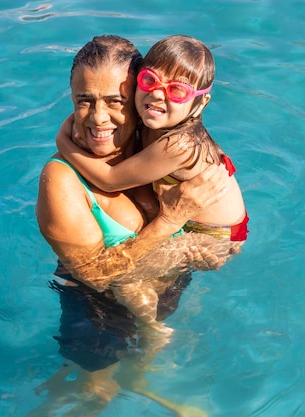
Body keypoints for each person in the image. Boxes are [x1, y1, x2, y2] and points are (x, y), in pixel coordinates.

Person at [34, 35, 229, 417]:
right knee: (93, 394)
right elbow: (95, 275)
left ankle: (136, 382)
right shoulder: (62, 180)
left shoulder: (157, 147)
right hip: (98, 312)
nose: (98, 119)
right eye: (84, 101)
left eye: (115, 102)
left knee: (136, 368)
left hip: (161, 294)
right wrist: (171, 220)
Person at [56, 34, 249, 334]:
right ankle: (151, 329)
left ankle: (152, 333)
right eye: (150, 82)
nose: (159, 96)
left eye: (177, 91)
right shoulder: (156, 129)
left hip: (213, 234)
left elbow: (108, 180)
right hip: (202, 227)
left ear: (200, 102)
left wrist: (65, 145)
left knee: (125, 279)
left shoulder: (176, 145)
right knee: (123, 279)